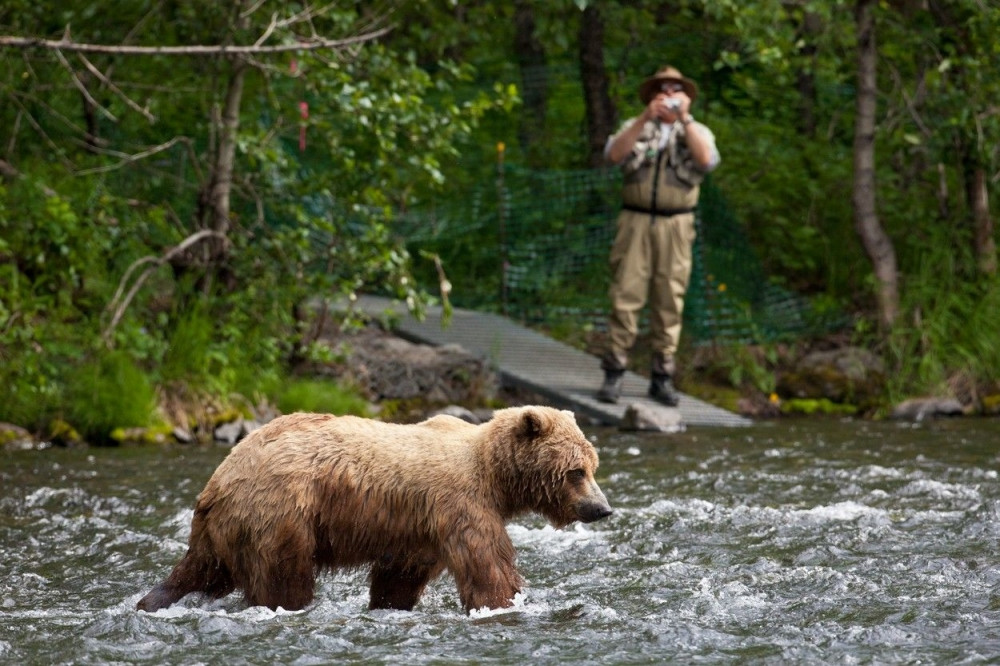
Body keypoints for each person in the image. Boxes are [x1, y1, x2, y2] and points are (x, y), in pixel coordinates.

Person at [596, 65, 721, 406]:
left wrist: (685, 120)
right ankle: (614, 373)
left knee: (669, 299)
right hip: (634, 221)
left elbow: (706, 160)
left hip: (677, 225)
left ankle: (662, 377)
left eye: (675, 90)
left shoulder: (698, 130)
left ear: (686, 96)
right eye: (661, 91)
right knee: (625, 294)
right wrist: (643, 118)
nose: (667, 97)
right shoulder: (635, 127)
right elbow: (614, 155)